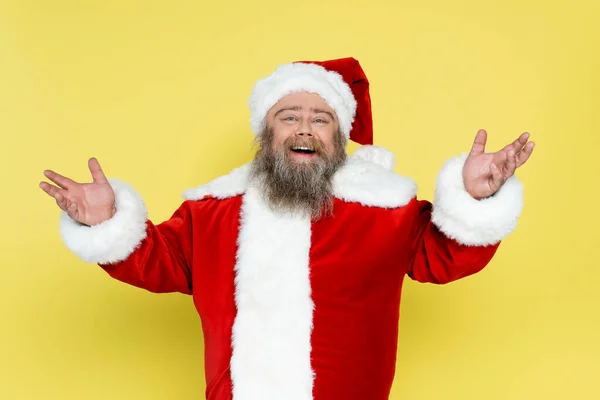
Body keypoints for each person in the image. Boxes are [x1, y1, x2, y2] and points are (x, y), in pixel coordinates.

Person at [39, 57, 535, 400]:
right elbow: (158, 261)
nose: (304, 128)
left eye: (320, 119)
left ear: (338, 137)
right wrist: (105, 221)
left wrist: (476, 196)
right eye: (289, 116)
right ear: (266, 131)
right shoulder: (213, 211)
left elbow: (445, 257)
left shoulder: (386, 208)